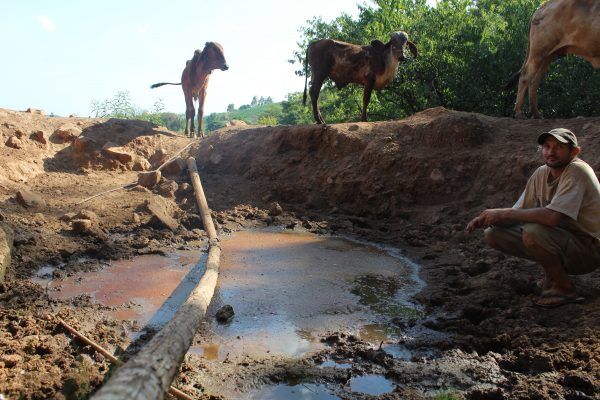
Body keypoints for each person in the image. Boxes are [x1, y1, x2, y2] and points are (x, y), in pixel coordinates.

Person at [466, 128, 600, 308]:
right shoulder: (541, 173)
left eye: (559, 147)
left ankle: (564, 288)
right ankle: (552, 277)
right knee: (494, 233)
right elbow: (518, 213)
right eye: (547, 146)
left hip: (589, 250)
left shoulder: (577, 170)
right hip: (565, 241)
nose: (551, 152)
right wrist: (487, 218)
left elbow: (552, 218)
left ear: (574, 152)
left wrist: (503, 213)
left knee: (533, 231)